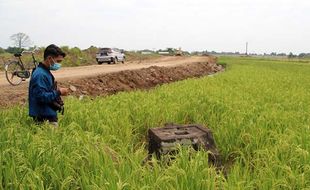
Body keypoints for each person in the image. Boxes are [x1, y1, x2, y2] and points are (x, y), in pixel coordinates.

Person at [29, 44, 69, 127]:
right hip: (43, 117)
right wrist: (59, 92)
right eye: (58, 61)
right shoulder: (40, 74)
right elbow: (41, 96)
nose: (59, 64)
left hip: (47, 113)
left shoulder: (44, 72)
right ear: (50, 58)